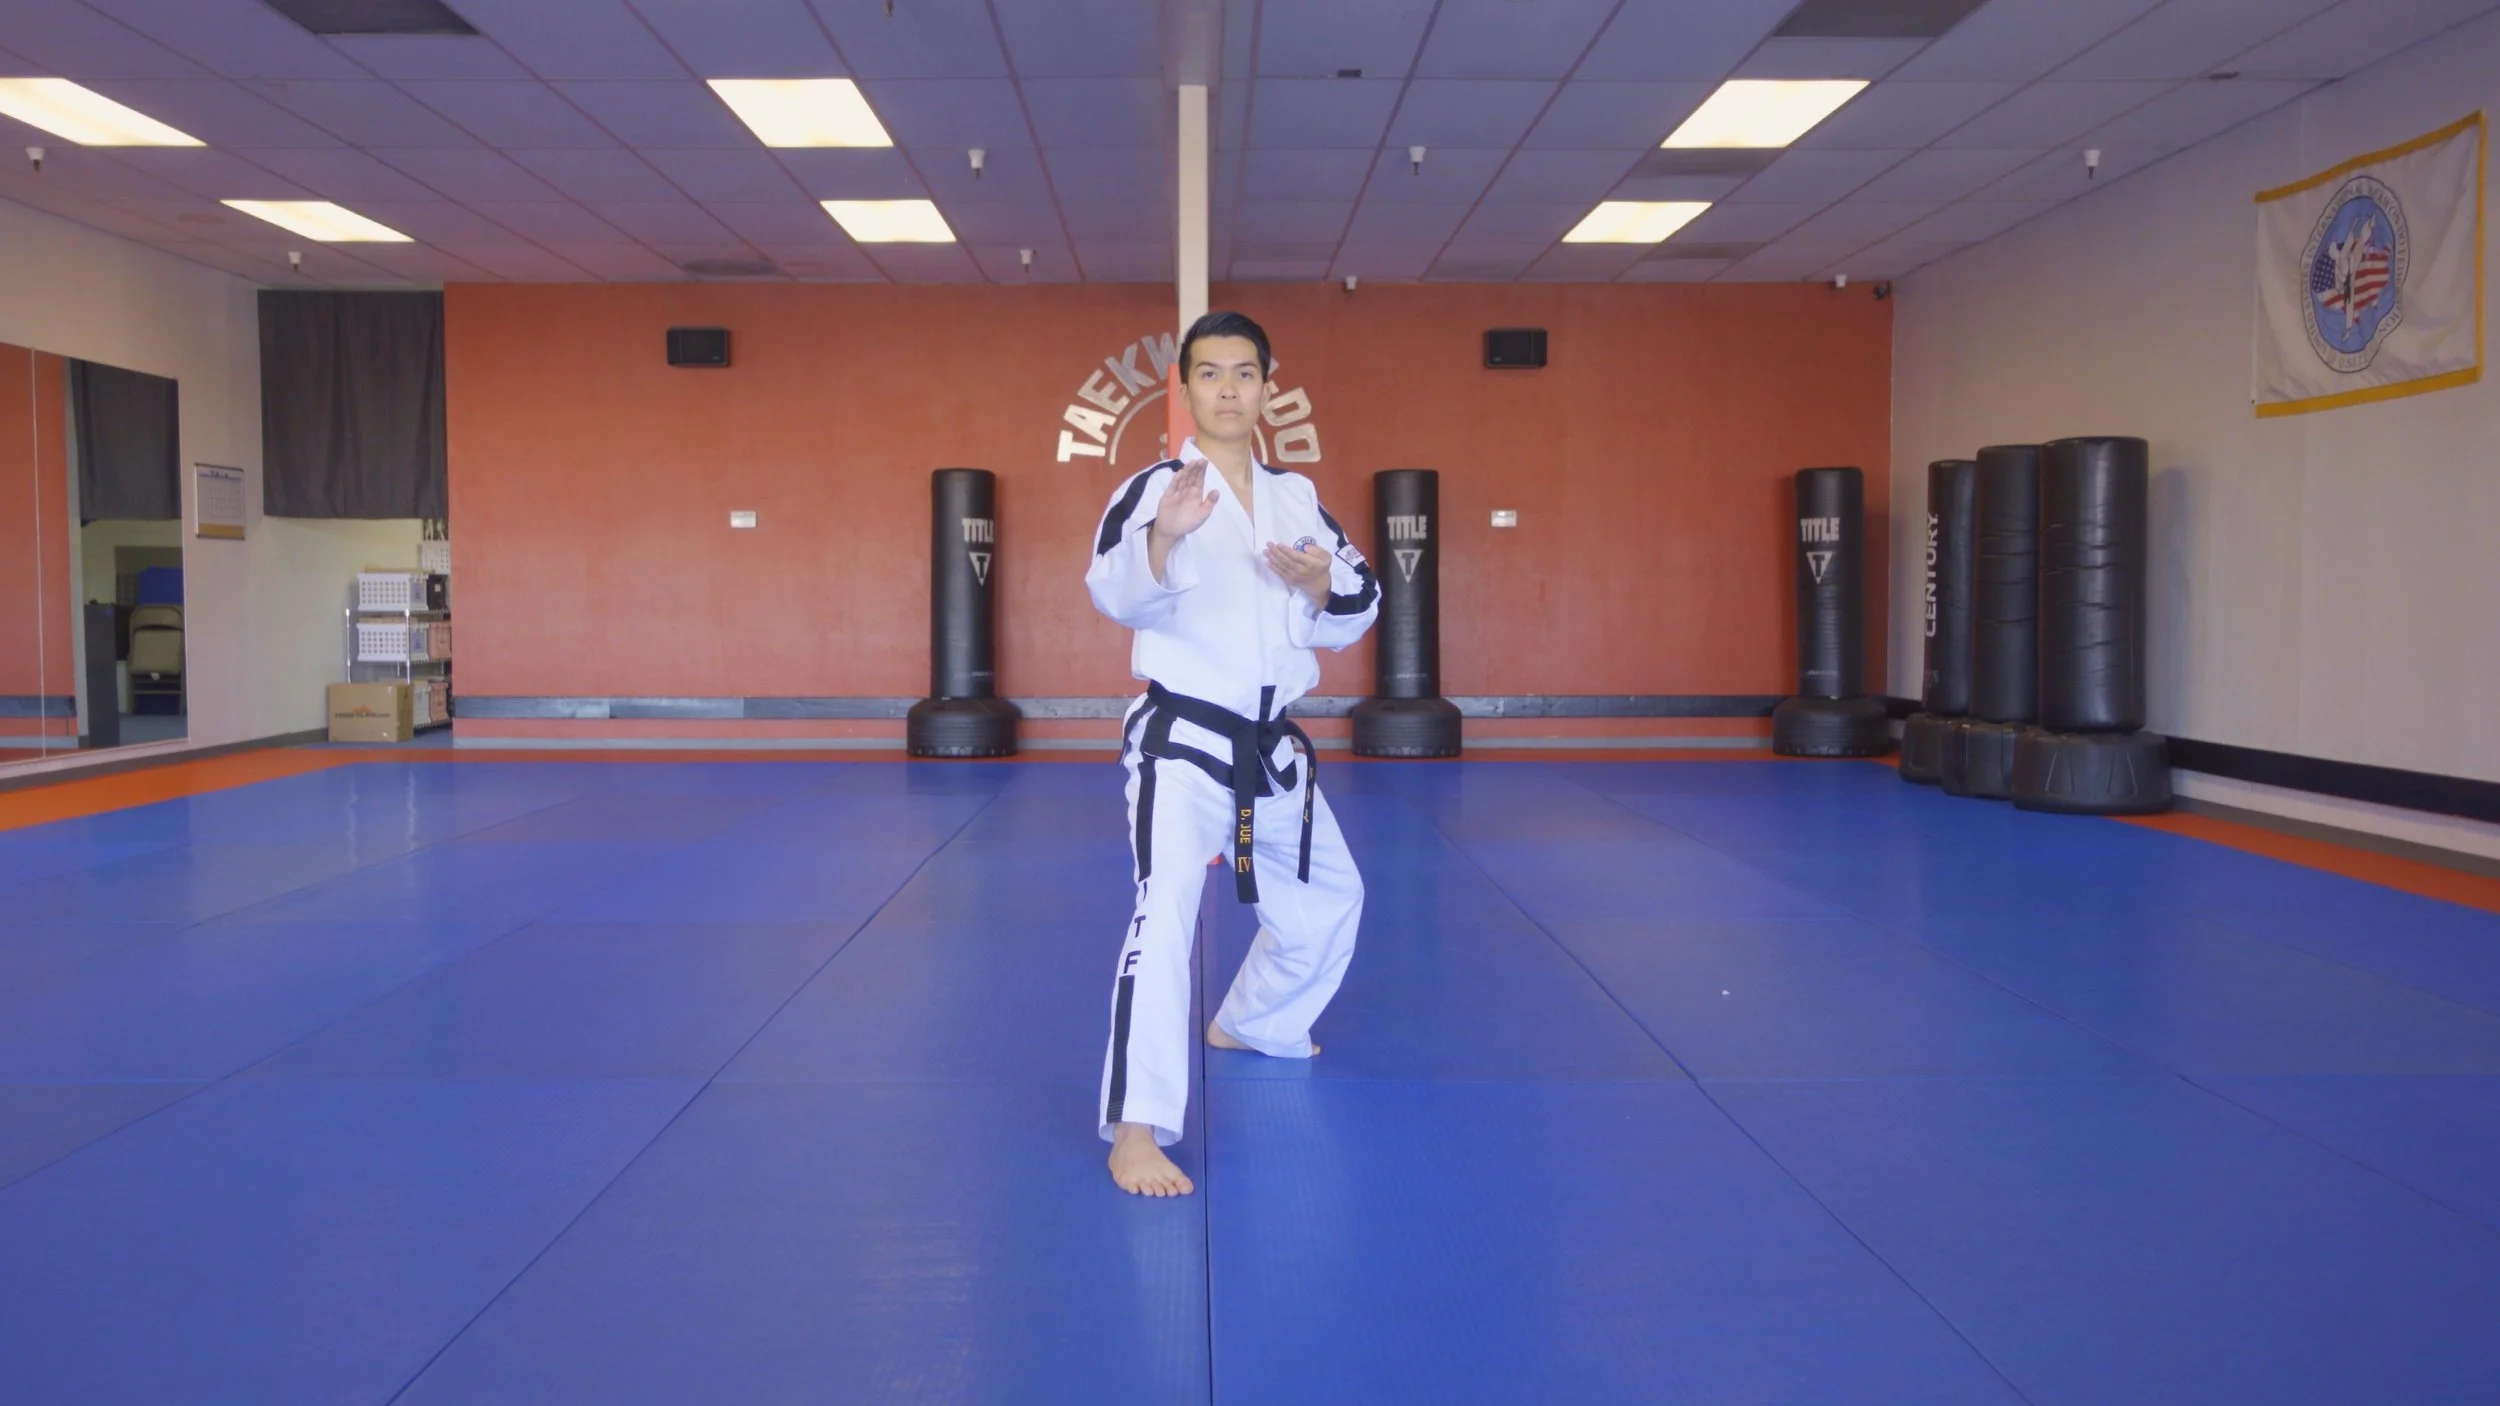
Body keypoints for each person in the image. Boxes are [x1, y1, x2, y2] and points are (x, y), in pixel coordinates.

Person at [1085, 310, 1378, 1197]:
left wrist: (1320, 585)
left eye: (1244, 373)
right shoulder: (1154, 488)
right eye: (1209, 373)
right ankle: (1136, 1129)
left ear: (1265, 387)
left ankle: (1252, 1021)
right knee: (1165, 913)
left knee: (1331, 899)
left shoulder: (1298, 497)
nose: (1227, 389)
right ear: (1185, 387)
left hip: (1271, 746)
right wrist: (1165, 535)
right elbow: (1113, 592)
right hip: (1181, 745)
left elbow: (1361, 596)